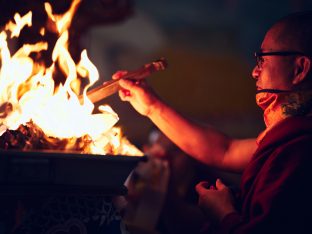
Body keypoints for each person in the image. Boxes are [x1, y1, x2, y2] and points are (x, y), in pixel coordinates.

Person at [112, 11, 312, 234]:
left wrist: (223, 214)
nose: (255, 72)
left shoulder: (300, 149)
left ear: (299, 69)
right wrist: (152, 107)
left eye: (263, 59)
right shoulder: (285, 138)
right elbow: (224, 150)